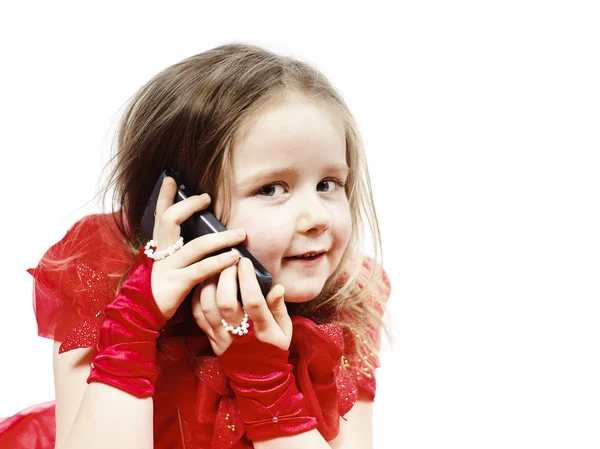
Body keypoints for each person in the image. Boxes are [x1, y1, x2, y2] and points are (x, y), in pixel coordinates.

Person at [0, 43, 392, 449]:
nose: (319, 217)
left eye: (328, 184)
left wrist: (267, 389)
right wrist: (132, 325)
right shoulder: (104, 276)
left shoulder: (346, 302)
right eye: (272, 188)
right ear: (184, 209)